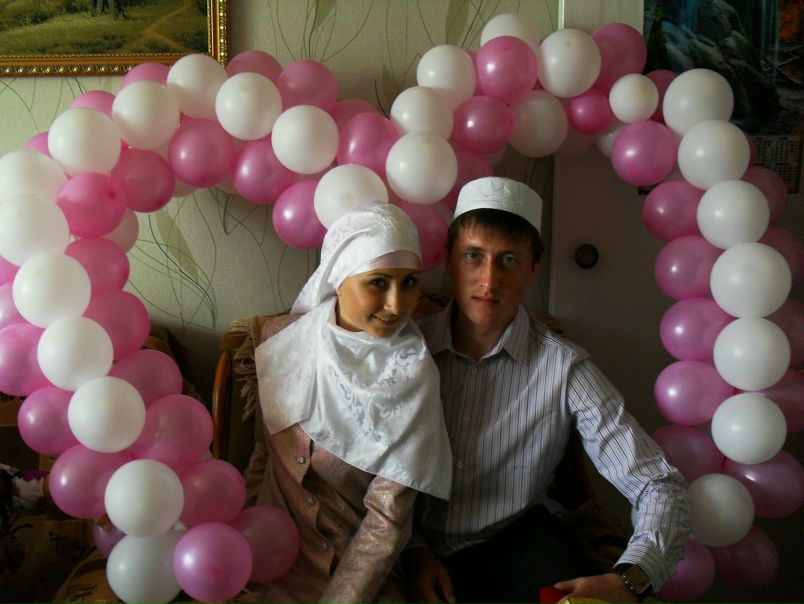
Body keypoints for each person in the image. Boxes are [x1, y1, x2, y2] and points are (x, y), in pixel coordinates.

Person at [406, 177, 691, 604]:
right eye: (473, 256)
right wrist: (411, 550)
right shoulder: (406, 351)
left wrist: (630, 579)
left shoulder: (565, 367)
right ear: (449, 258)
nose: (489, 280)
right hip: (415, 548)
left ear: (534, 267)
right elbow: (365, 476)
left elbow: (658, 483)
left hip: (519, 544)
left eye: (508, 260)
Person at [243, 201, 453, 604]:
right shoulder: (282, 340)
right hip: (268, 561)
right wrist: (236, 542)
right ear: (339, 277)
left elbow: (388, 521)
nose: (397, 305)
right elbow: (262, 456)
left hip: (358, 576)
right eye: (378, 282)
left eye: (409, 282)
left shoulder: (414, 376)